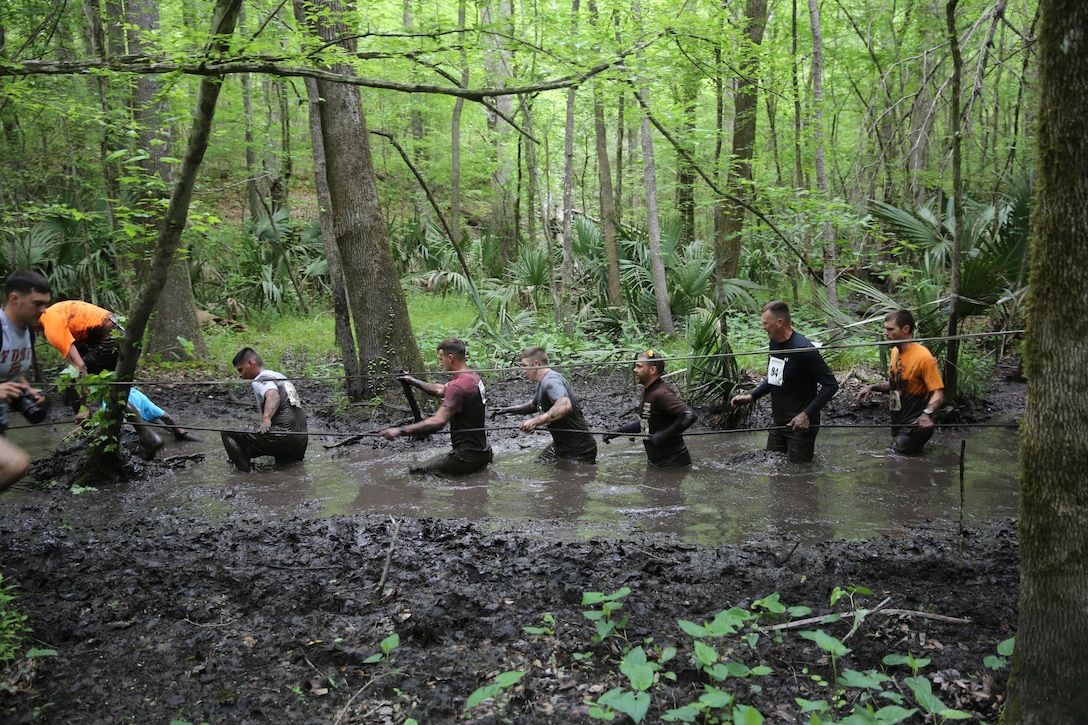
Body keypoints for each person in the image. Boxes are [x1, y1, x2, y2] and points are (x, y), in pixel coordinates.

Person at [730, 300, 839, 463]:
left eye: (765, 323)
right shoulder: (774, 343)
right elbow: (776, 378)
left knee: (799, 476)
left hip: (801, 426)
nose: (763, 327)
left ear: (779, 323)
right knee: (774, 469)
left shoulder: (803, 348)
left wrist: (806, 414)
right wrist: (752, 396)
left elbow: (831, 385)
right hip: (778, 423)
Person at [380, 337, 493, 476]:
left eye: (441, 359)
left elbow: (438, 422)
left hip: (466, 458)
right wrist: (412, 380)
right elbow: (440, 390)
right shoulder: (473, 378)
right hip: (484, 452)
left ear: (450, 358)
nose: (440, 364)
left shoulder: (458, 386)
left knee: (417, 473)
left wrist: (400, 430)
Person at [856, 309, 945, 454]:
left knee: (894, 458)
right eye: (885, 329)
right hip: (898, 422)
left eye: (890, 329)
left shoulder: (923, 357)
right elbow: (897, 385)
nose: (885, 333)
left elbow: (938, 393)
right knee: (905, 463)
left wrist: (927, 414)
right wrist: (873, 387)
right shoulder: (895, 352)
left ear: (906, 329)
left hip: (916, 424)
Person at [492, 346, 597, 463]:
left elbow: (564, 405)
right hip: (561, 445)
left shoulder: (551, 380)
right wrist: (508, 410)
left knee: (567, 479)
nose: (523, 371)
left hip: (579, 449)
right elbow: (533, 405)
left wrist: (535, 421)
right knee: (540, 463)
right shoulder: (542, 382)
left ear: (536, 364)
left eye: (525, 366)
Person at [0, 271, 51, 492]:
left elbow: (10, 369)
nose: (43, 310)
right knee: (15, 464)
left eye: (46, 304)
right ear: (14, 299)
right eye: (37, 303)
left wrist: (27, 389)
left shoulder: (29, 332)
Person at [603, 350, 696, 468]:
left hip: (673, 463)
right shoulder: (649, 390)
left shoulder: (661, 393)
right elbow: (646, 422)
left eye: (639, 366)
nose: (634, 370)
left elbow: (689, 415)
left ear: (652, 370)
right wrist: (616, 432)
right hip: (658, 463)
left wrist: (664, 435)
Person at [221, 348, 307, 472]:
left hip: (283, 436)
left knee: (228, 433)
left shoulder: (261, 378)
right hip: (301, 439)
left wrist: (266, 419)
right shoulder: (278, 376)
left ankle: (242, 475)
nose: (240, 375)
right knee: (290, 472)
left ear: (251, 363)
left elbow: (273, 395)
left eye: (240, 370)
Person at [38, 299, 123, 375]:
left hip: (111, 333)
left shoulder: (51, 327)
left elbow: (79, 366)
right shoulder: (52, 312)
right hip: (115, 326)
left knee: (78, 374)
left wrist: (83, 387)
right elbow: (80, 352)